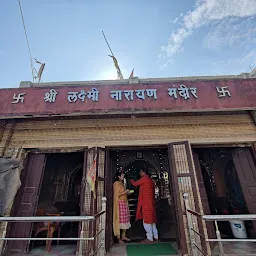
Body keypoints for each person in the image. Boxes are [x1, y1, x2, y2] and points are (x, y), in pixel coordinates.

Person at [130, 169, 158, 243]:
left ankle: (149, 238)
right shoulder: (151, 181)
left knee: (146, 221)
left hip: (146, 203)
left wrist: (130, 179)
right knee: (152, 221)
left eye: (140, 172)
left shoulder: (144, 179)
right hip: (151, 203)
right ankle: (156, 237)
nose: (139, 173)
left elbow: (135, 184)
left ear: (144, 172)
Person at [113, 171, 131, 243]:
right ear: (118, 177)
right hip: (119, 204)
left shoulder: (122, 184)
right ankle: (118, 238)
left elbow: (123, 193)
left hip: (124, 203)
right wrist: (125, 192)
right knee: (120, 221)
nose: (123, 177)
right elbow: (117, 194)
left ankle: (123, 236)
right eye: (122, 175)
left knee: (125, 220)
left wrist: (127, 192)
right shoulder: (116, 183)